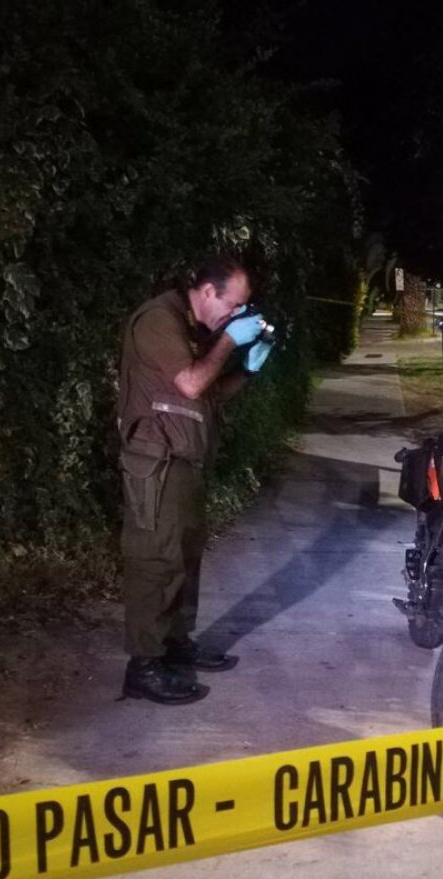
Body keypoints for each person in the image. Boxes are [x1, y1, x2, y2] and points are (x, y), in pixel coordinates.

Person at [116, 257, 274, 705]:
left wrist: (248, 370)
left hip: (183, 458)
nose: (235, 316)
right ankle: (143, 666)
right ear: (207, 291)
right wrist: (227, 341)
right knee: (154, 560)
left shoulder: (192, 329)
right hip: (155, 460)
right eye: (233, 306)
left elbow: (209, 397)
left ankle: (174, 645)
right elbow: (189, 383)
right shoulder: (158, 320)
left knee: (185, 557)